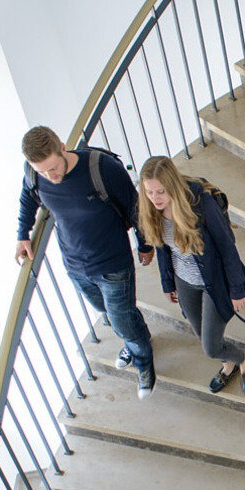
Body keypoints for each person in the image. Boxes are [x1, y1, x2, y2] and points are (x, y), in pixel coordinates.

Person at [16, 126, 158, 399]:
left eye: (53, 168)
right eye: (43, 171)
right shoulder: (34, 173)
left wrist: (145, 244)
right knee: (110, 313)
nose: (50, 177)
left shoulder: (101, 168)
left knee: (120, 319)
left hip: (113, 264)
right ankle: (136, 337)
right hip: (75, 266)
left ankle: (143, 360)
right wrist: (22, 234)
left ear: (61, 146)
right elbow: (27, 197)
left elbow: (135, 207)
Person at [136, 156, 245, 395]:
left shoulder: (200, 204)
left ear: (173, 185)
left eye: (160, 191)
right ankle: (228, 364)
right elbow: (163, 248)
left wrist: (237, 288)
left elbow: (226, 247)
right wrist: (167, 282)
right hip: (185, 282)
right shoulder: (152, 210)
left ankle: (243, 358)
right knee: (201, 333)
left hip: (213, 281)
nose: (155, 198)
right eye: (149, 192)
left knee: (211, 347)